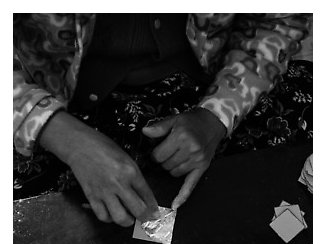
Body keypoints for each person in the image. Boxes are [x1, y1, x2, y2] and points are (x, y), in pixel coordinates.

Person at [13, 13, 312, 226]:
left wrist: (218, 114)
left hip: (213, 82)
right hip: (44, 98)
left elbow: (279, 20)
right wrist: (64, 137)